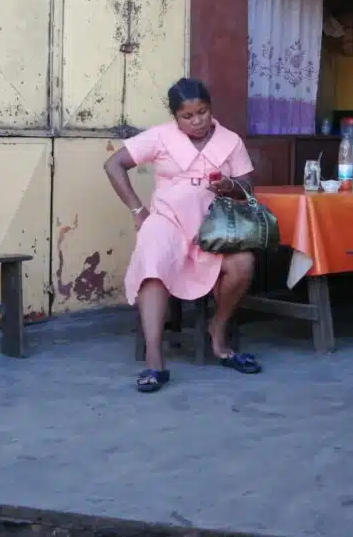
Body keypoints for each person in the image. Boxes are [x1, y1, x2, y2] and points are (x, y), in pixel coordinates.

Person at [104, 78, 261, 393]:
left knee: (244, 263)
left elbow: (247, 187)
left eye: (202, 112)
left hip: (214, 228)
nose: (197, 121)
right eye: (187, 116)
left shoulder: (230, 141)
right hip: (168, 222)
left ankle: (217, 332)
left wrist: (230, 185)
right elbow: (113, 164)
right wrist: (138, 211)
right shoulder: (160, 136)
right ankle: (154, 358)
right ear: (175, 117)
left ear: (210, 108)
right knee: (152, 261)